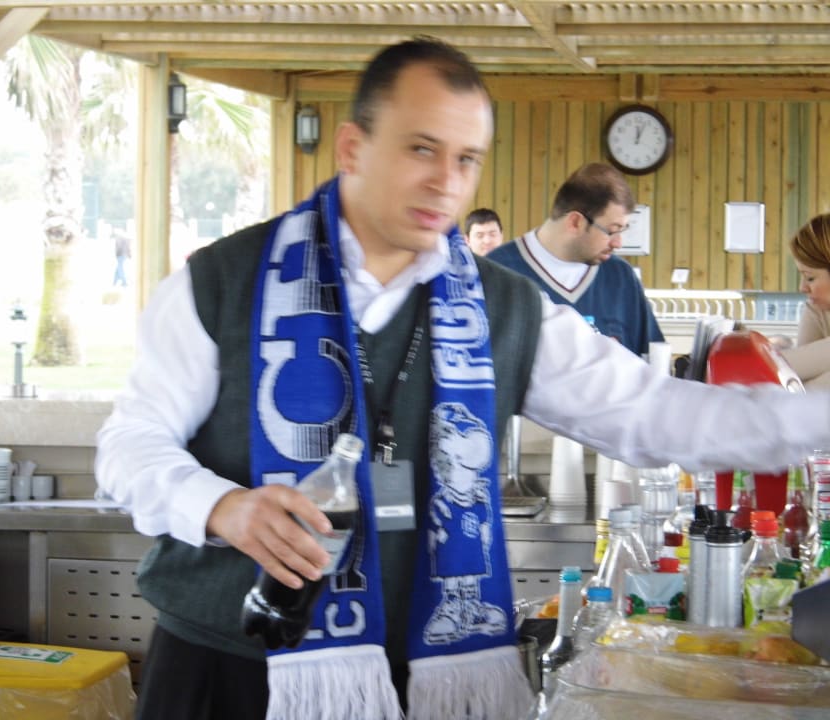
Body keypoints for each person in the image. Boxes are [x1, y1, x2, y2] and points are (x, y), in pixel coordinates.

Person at [95, 38, 830, 720]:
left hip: (425, 674)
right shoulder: (224, 281)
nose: (446, 182)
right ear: (353, 147)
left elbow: (654, 414)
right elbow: (130, 446)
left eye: (467, 158)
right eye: (421, 148)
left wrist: (813, 418)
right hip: (227, 666)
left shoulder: (505, 307)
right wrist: (222, 506)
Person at [486, 162, 664, 356]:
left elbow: (652, 359)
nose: (618, 243)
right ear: (575, 222)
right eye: (611, 231)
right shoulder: (496, 273)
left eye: (622, 231)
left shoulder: (621, 277)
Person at [778, 213, 830, 389]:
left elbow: (784, 370)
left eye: (810, 278)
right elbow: (796, 375)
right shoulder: (817, 308)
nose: (802, 288)